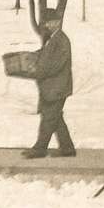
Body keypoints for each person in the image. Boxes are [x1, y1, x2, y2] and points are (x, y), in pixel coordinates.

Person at [22, 8, 75, 158]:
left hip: (57, 87)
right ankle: (67, 148)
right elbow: (45, 55)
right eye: (46, 22)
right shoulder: (52, 39)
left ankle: (40, 149)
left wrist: (38, 72)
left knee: (49, 117)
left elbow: (56, 64)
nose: (47, 25)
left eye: (50, 22)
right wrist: (33, 57)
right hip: (51, 87)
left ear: (57, 22)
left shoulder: (61, 40)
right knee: (55, 117)